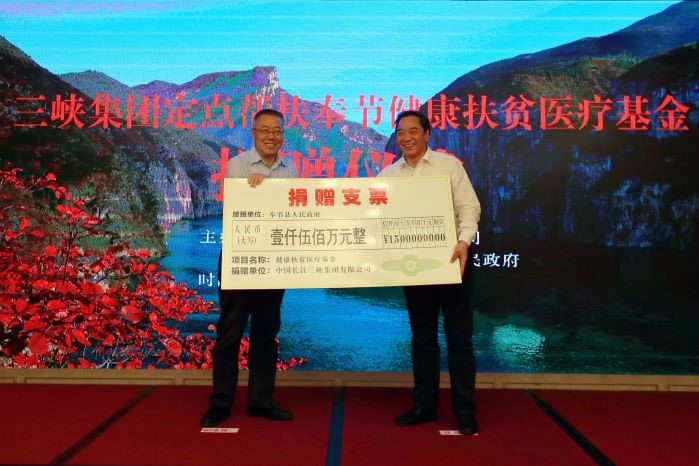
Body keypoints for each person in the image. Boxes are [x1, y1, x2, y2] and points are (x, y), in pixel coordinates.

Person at [378, 110, 481, 435]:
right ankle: (424, 406)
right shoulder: (388, 175)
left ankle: (465, 411)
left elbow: (469, 208)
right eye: (400, 132)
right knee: (422, 338)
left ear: (426, 134)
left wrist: (464, 242)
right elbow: (374, 216)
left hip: (453, 262)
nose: (406, 137)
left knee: (459, 339)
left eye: (413, 131)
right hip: (415, 267)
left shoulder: (448, 167)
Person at [201, 109, 297, 427]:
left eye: (277, 130)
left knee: (266, 334)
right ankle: (220, 403)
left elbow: (292, 211)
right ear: (253, 133)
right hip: (239, 260)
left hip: (274, 260)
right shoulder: (238, 165)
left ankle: (261, 400)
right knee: (229, 333)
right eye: (265, 130)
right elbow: (239, 207)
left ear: (283, 135)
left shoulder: (290, 169)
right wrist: (262, 190)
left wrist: (265, 190)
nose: (271, 136)